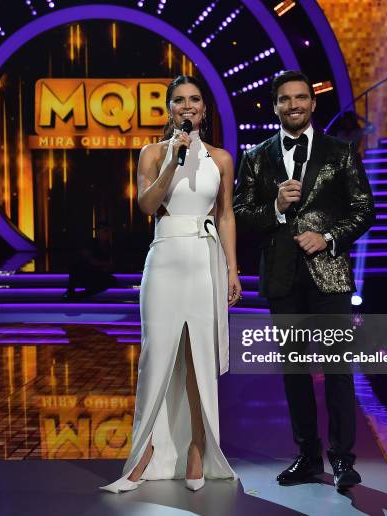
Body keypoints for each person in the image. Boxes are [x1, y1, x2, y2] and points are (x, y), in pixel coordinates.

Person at [233, 70, 375, 490]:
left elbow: (365, 209)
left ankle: (343, 459)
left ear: (313, 103)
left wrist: (328, 236)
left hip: (328, 276)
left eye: (300, 98)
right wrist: (276, 207)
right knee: (295, 373)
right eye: (284, 99)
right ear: (274, 106)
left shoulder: (340, 151)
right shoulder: (256, 157)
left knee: (337, 370)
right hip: (282, 278)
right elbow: (241, 212)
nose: (293, 105)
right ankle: (308, 456)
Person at [101, 75, 240, 493]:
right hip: (163, 260)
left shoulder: (221, 158)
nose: (187, 106)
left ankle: (198, 447)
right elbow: (147, 204)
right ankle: (144, 452)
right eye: (179, 100)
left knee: (199, 359)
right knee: (155, 357)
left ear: (204, 108)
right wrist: (171, 161)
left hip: (204, 261)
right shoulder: (152, 153)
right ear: (168, 109)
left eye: (194, 99)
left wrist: (233, 269)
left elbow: (226, 214)